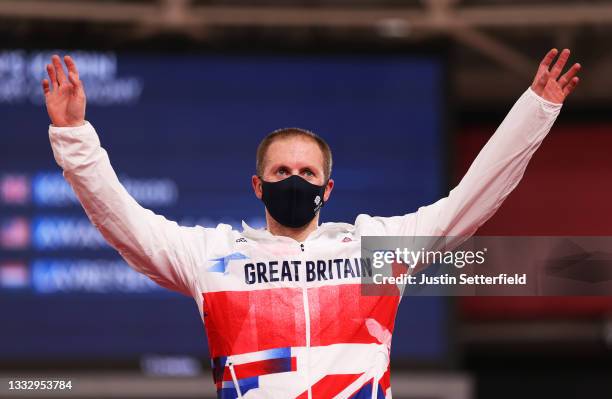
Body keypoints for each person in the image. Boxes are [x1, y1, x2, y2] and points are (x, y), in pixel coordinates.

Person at [43, 49, 580, 399]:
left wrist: (536, 109)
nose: (294, 180)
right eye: (281, 171)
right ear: (258, 186)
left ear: (328, 190)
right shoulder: (212, 258)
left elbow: (471, 200)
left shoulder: (373, 249)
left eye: (307, 173)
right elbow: (124, 222)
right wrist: (74, 137)